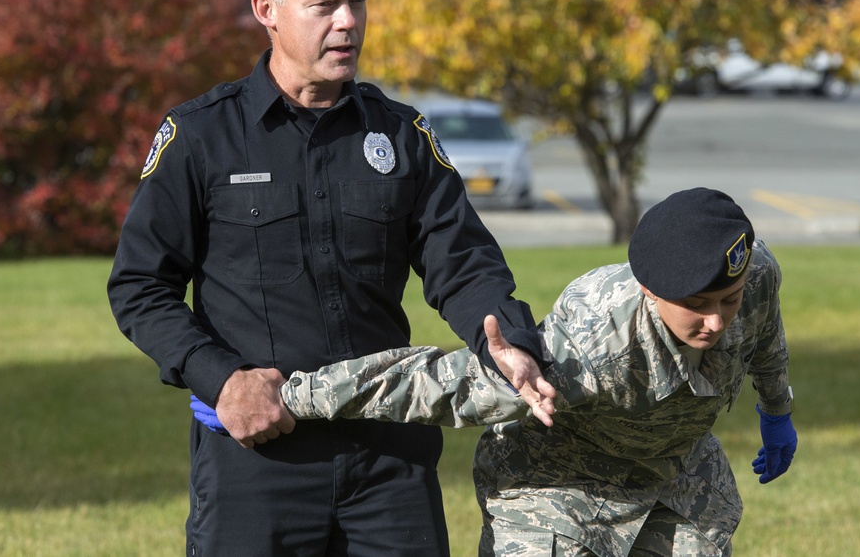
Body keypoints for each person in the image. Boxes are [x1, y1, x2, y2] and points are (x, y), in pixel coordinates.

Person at [107, 0, 554, 556]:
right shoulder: (201, 137)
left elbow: (463, 263)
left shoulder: (401, 136)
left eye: (358, 2)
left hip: (389, 456)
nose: (348, 22)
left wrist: (506, 341)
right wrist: (224, 381)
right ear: (268, 9)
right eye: (326, 5)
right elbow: (139, 288)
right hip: (258, 460)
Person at [279, 187, 799, 556]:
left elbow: (765, 338)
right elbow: (440, 384)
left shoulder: (754, 276)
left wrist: (777, 410)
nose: (715, 321)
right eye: (697, 304)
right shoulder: (588, 349)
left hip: (671, 478)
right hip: (554, 488)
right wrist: (293, 397)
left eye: (727, 301)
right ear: (650, 290)